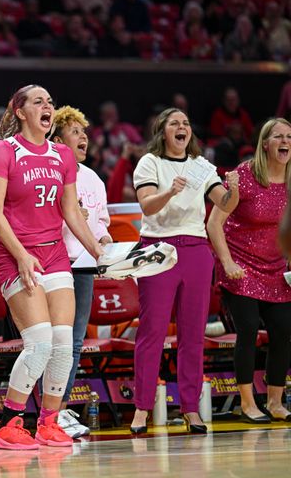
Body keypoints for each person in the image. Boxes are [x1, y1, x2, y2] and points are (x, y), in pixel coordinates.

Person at [0, 85, 104, 451]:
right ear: (20, 112)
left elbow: (70, 212)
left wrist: (98, 252)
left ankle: (48, 422)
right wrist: (20, 254)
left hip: (54, 256)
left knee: (64, 345)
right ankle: (8, 423)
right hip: (15, 254)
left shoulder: (62, 155)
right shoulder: (2, 151)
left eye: (50, 102)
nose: (47, 107)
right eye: (38, 102)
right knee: (38, 344)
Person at [130, 107, 239, 434]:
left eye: (186, 123)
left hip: (195, 249)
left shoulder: (201, 166)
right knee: (152, 333)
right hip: (157, 249)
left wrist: (232, 188)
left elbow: (225, 204)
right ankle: (141, 409)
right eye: (174, 123)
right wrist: (170, 191)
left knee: (193, 334)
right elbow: (147, 205)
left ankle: (191, 408)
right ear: (162, 131)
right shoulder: (149, 163)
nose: (182, 127)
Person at [207, 118, 291, 423]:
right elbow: (214, 223)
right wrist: (227, 263)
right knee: (248, 330)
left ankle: (275, 400)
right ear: (265, 144)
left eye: (290, 137)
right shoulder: (245, 175)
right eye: (278, 137)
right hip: (240, 266)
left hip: (276, 269)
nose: (285, 142)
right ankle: (246, 402)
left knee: (283, 330)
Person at [50, 106, 112, 438]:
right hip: (55, 265)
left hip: (85, 268)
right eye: (75, 132)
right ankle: (48, 412)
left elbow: (101, 222)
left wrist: (106, 242)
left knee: (73, 343)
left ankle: (58, 412)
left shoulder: (93, 178)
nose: (83, 137)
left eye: (84, 132)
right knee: (52, 341)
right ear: (58, 141)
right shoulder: (49, 173)